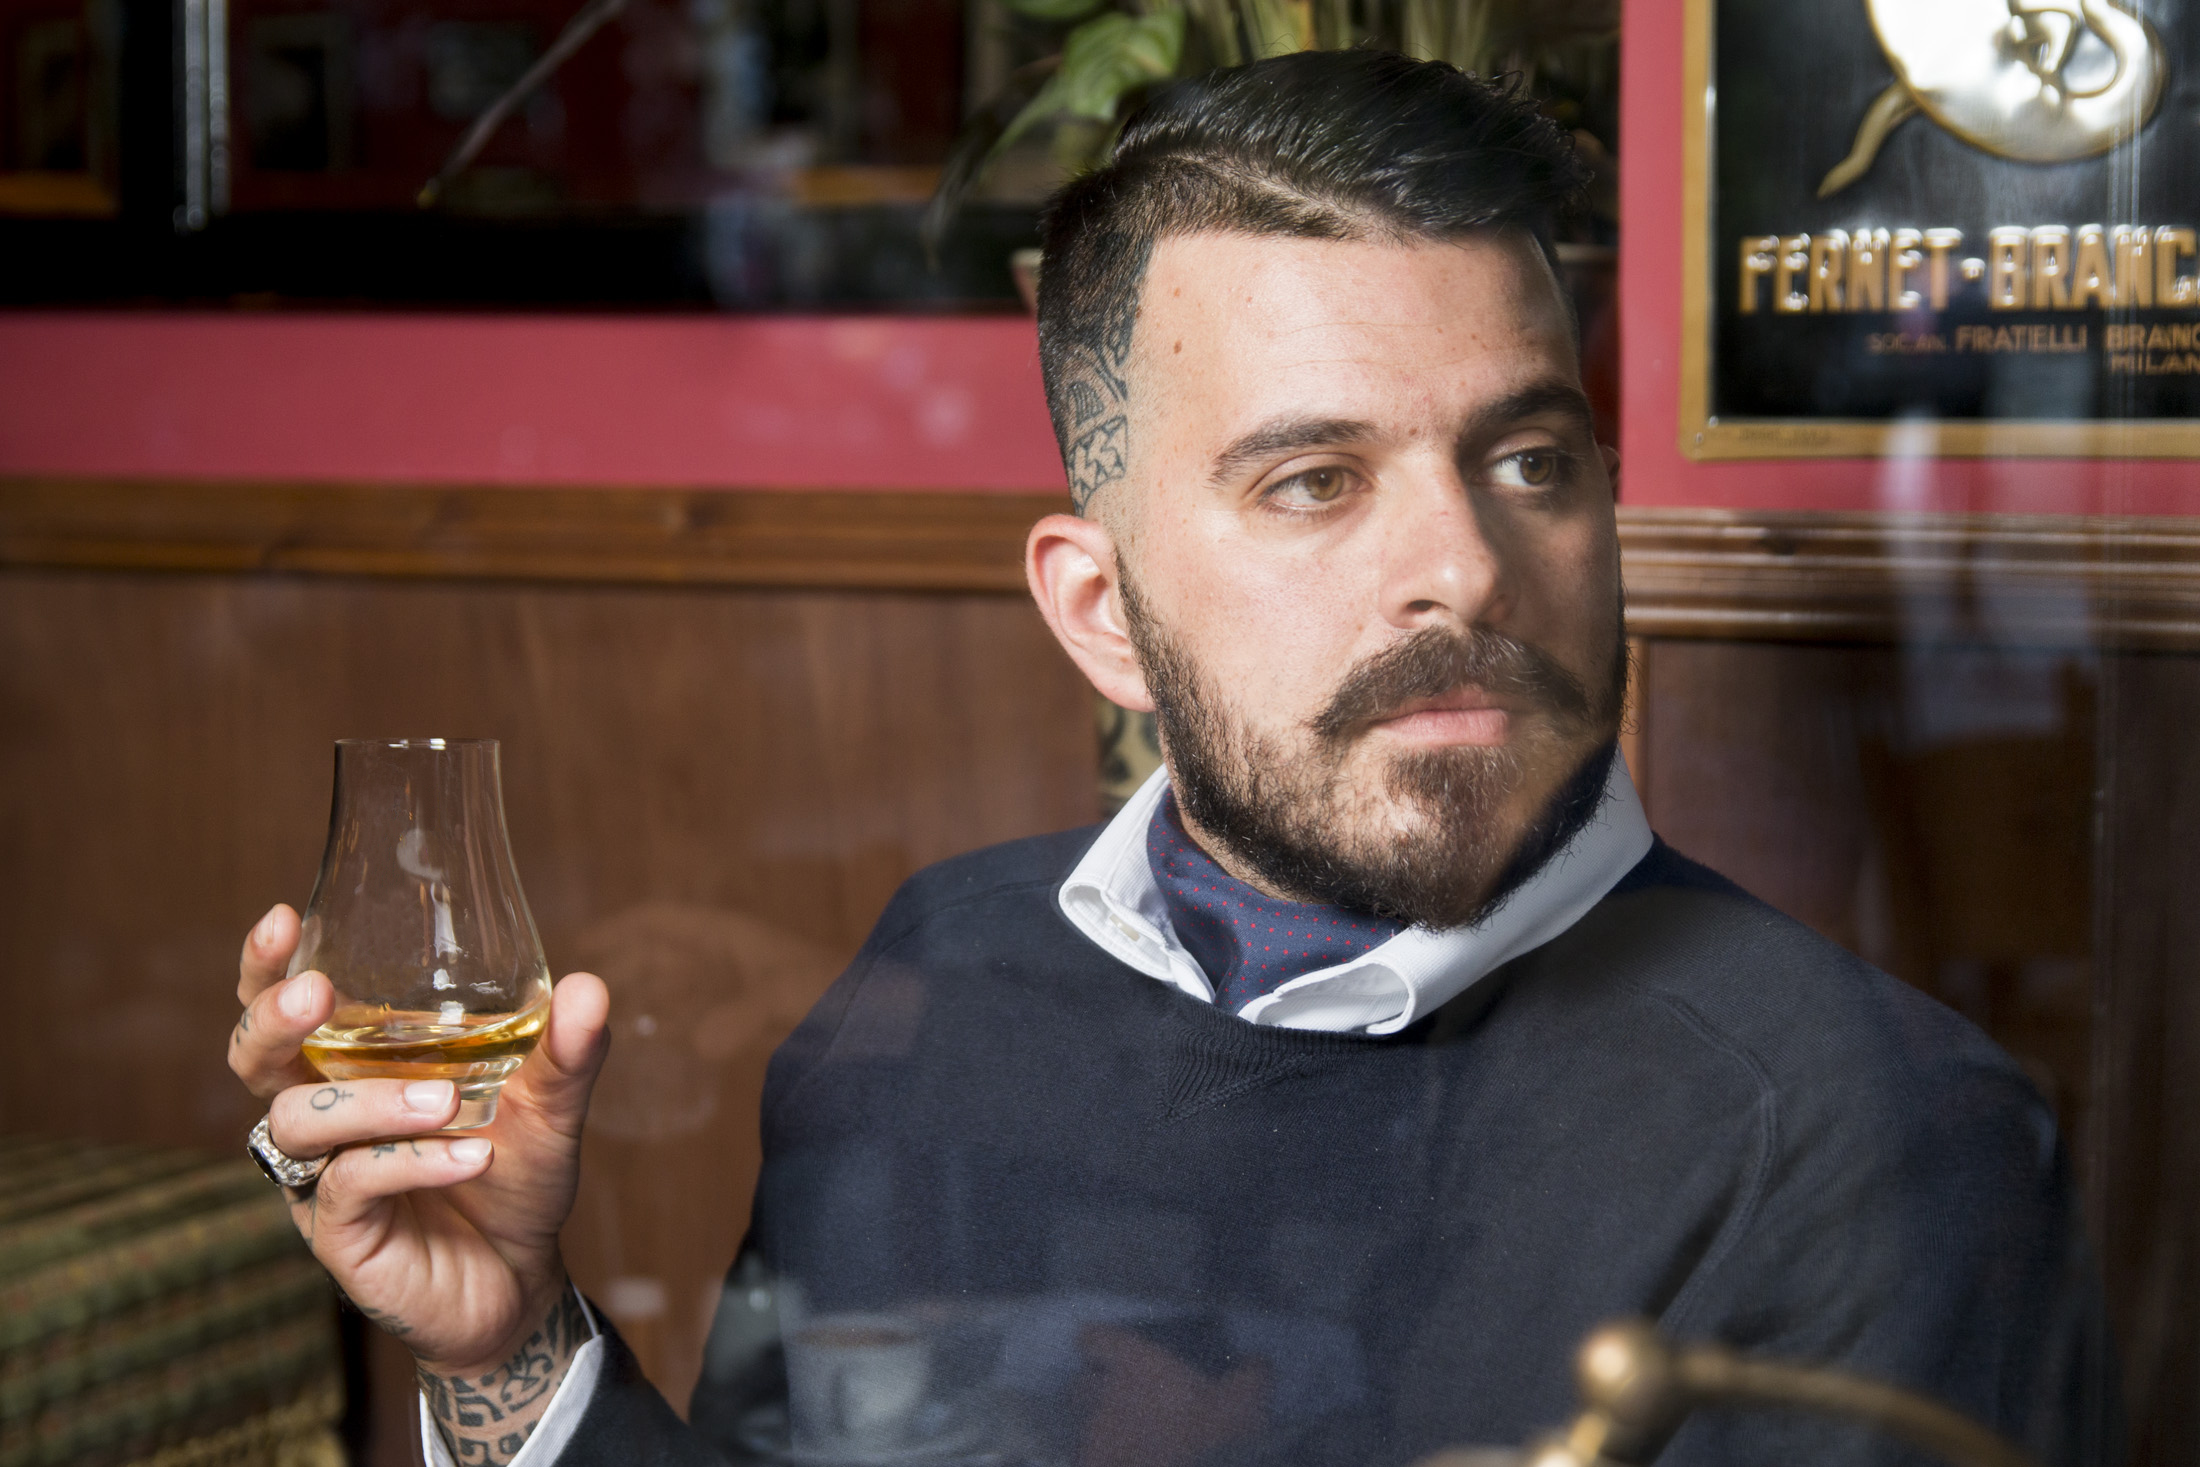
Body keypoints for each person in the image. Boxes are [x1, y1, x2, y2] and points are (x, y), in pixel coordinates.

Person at [225, 50, 2117, 1467]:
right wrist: (508, 1349)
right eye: (1315, 481)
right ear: (1101, 611)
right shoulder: (941, 970)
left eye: (1530, 459)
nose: (1465, 565)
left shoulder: (1878, 1142)